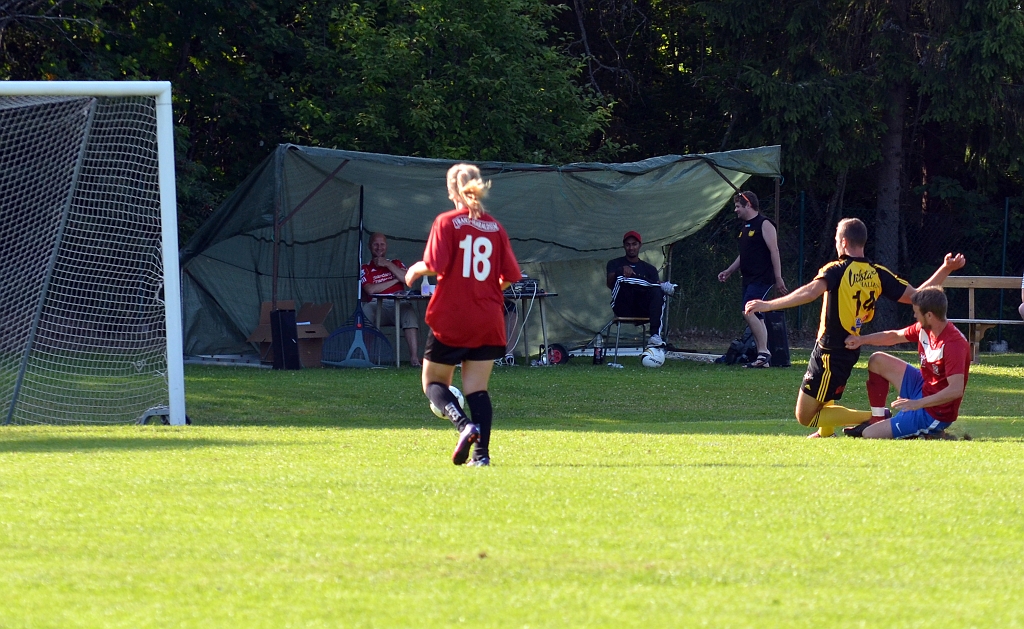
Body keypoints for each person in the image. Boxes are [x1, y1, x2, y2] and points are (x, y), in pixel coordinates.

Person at [744, 217, 966, 438]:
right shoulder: (877, 272)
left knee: (805, 416)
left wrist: (768, 304)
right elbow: (919, 296)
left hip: (831, 351)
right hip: (848, 346)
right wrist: (945, 269)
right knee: (825, 394)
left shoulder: (837, 269)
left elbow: (809, 293)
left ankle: (873, 417)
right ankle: (827, 432)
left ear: (843, 242)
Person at [405, 164, 522, 467]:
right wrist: (485, 288)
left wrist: (415, 269)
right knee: (477, 390)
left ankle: (463, 425)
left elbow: (435, 264)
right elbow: (510, 274)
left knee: (432, 382)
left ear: (451, 191)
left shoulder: (447, 221)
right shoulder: (495, 227)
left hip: (453, 317)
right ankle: (481, 456)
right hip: (487, 317)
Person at [840, 287, 970, 439]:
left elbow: (955, 390)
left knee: (869, 434)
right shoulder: (924, 328)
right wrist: (861, 340)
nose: (914, 316)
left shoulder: (954, 344)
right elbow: (894, 336)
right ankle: (878, 418)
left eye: (916, 312)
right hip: (922, 387)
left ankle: (932, 433)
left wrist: (918, 403)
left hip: (935, 412)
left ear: (929, 315)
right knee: (877, 360)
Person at [718, 191, 788, 367]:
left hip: (762, 277)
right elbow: (744, 255)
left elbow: (774, 251)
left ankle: (763, 352)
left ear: (748, 205)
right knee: (757, 314)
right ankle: (762, 357)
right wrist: (729, 270)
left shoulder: (764, 224)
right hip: (748, 278)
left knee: (747, 310)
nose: (735, 210)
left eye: (738, 206)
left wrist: (778, 278)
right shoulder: (745, 228)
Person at [360, 232, 421, 367]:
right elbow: (370, 290)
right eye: (376, 244)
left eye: (382, 244)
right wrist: (394, 280)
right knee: (366, 311)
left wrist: (388, 265)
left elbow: (407, 278)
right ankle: (368, 358)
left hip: (398, 304)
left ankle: (414, 359)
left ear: (386, 247)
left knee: (409, 312)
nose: (379, 247)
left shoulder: (396, 263)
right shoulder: (366, 267)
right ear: (370, 246)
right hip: (377, 306)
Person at [606, 231, 676, 348]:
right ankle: (658, 284)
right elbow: (609, 284)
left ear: (640, 245)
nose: (631, 248)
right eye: (628, 245)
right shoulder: (614, 263)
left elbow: (654, 294)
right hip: (623, 306)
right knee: (621, 274)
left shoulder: (650, 269)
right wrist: (624, 271)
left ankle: (655, 336)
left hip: (643, 309)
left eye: (634, 244)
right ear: (624, 246)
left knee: (658, 291)